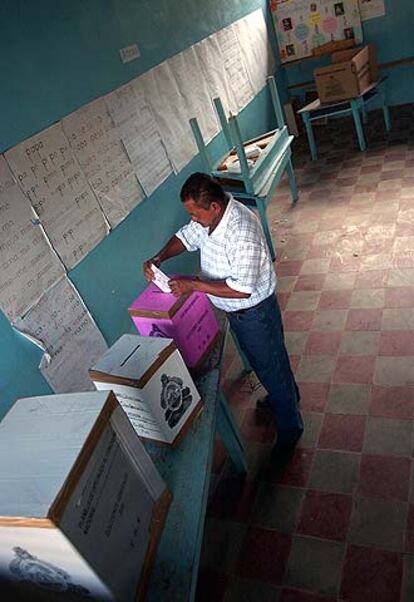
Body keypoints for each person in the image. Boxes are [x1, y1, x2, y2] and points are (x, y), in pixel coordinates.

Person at [143, 172, 303, 455]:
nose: (192, 219)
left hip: (254, 311)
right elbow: (184, 238)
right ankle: (287, 397)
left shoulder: (241, 231)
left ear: (214, 207)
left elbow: (243, 288)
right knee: (267, 360)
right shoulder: (208, 220)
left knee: (269, 362)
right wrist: (159, 258)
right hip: (238, 313)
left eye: (195, 213)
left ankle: (290, 429)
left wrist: (194, 285)